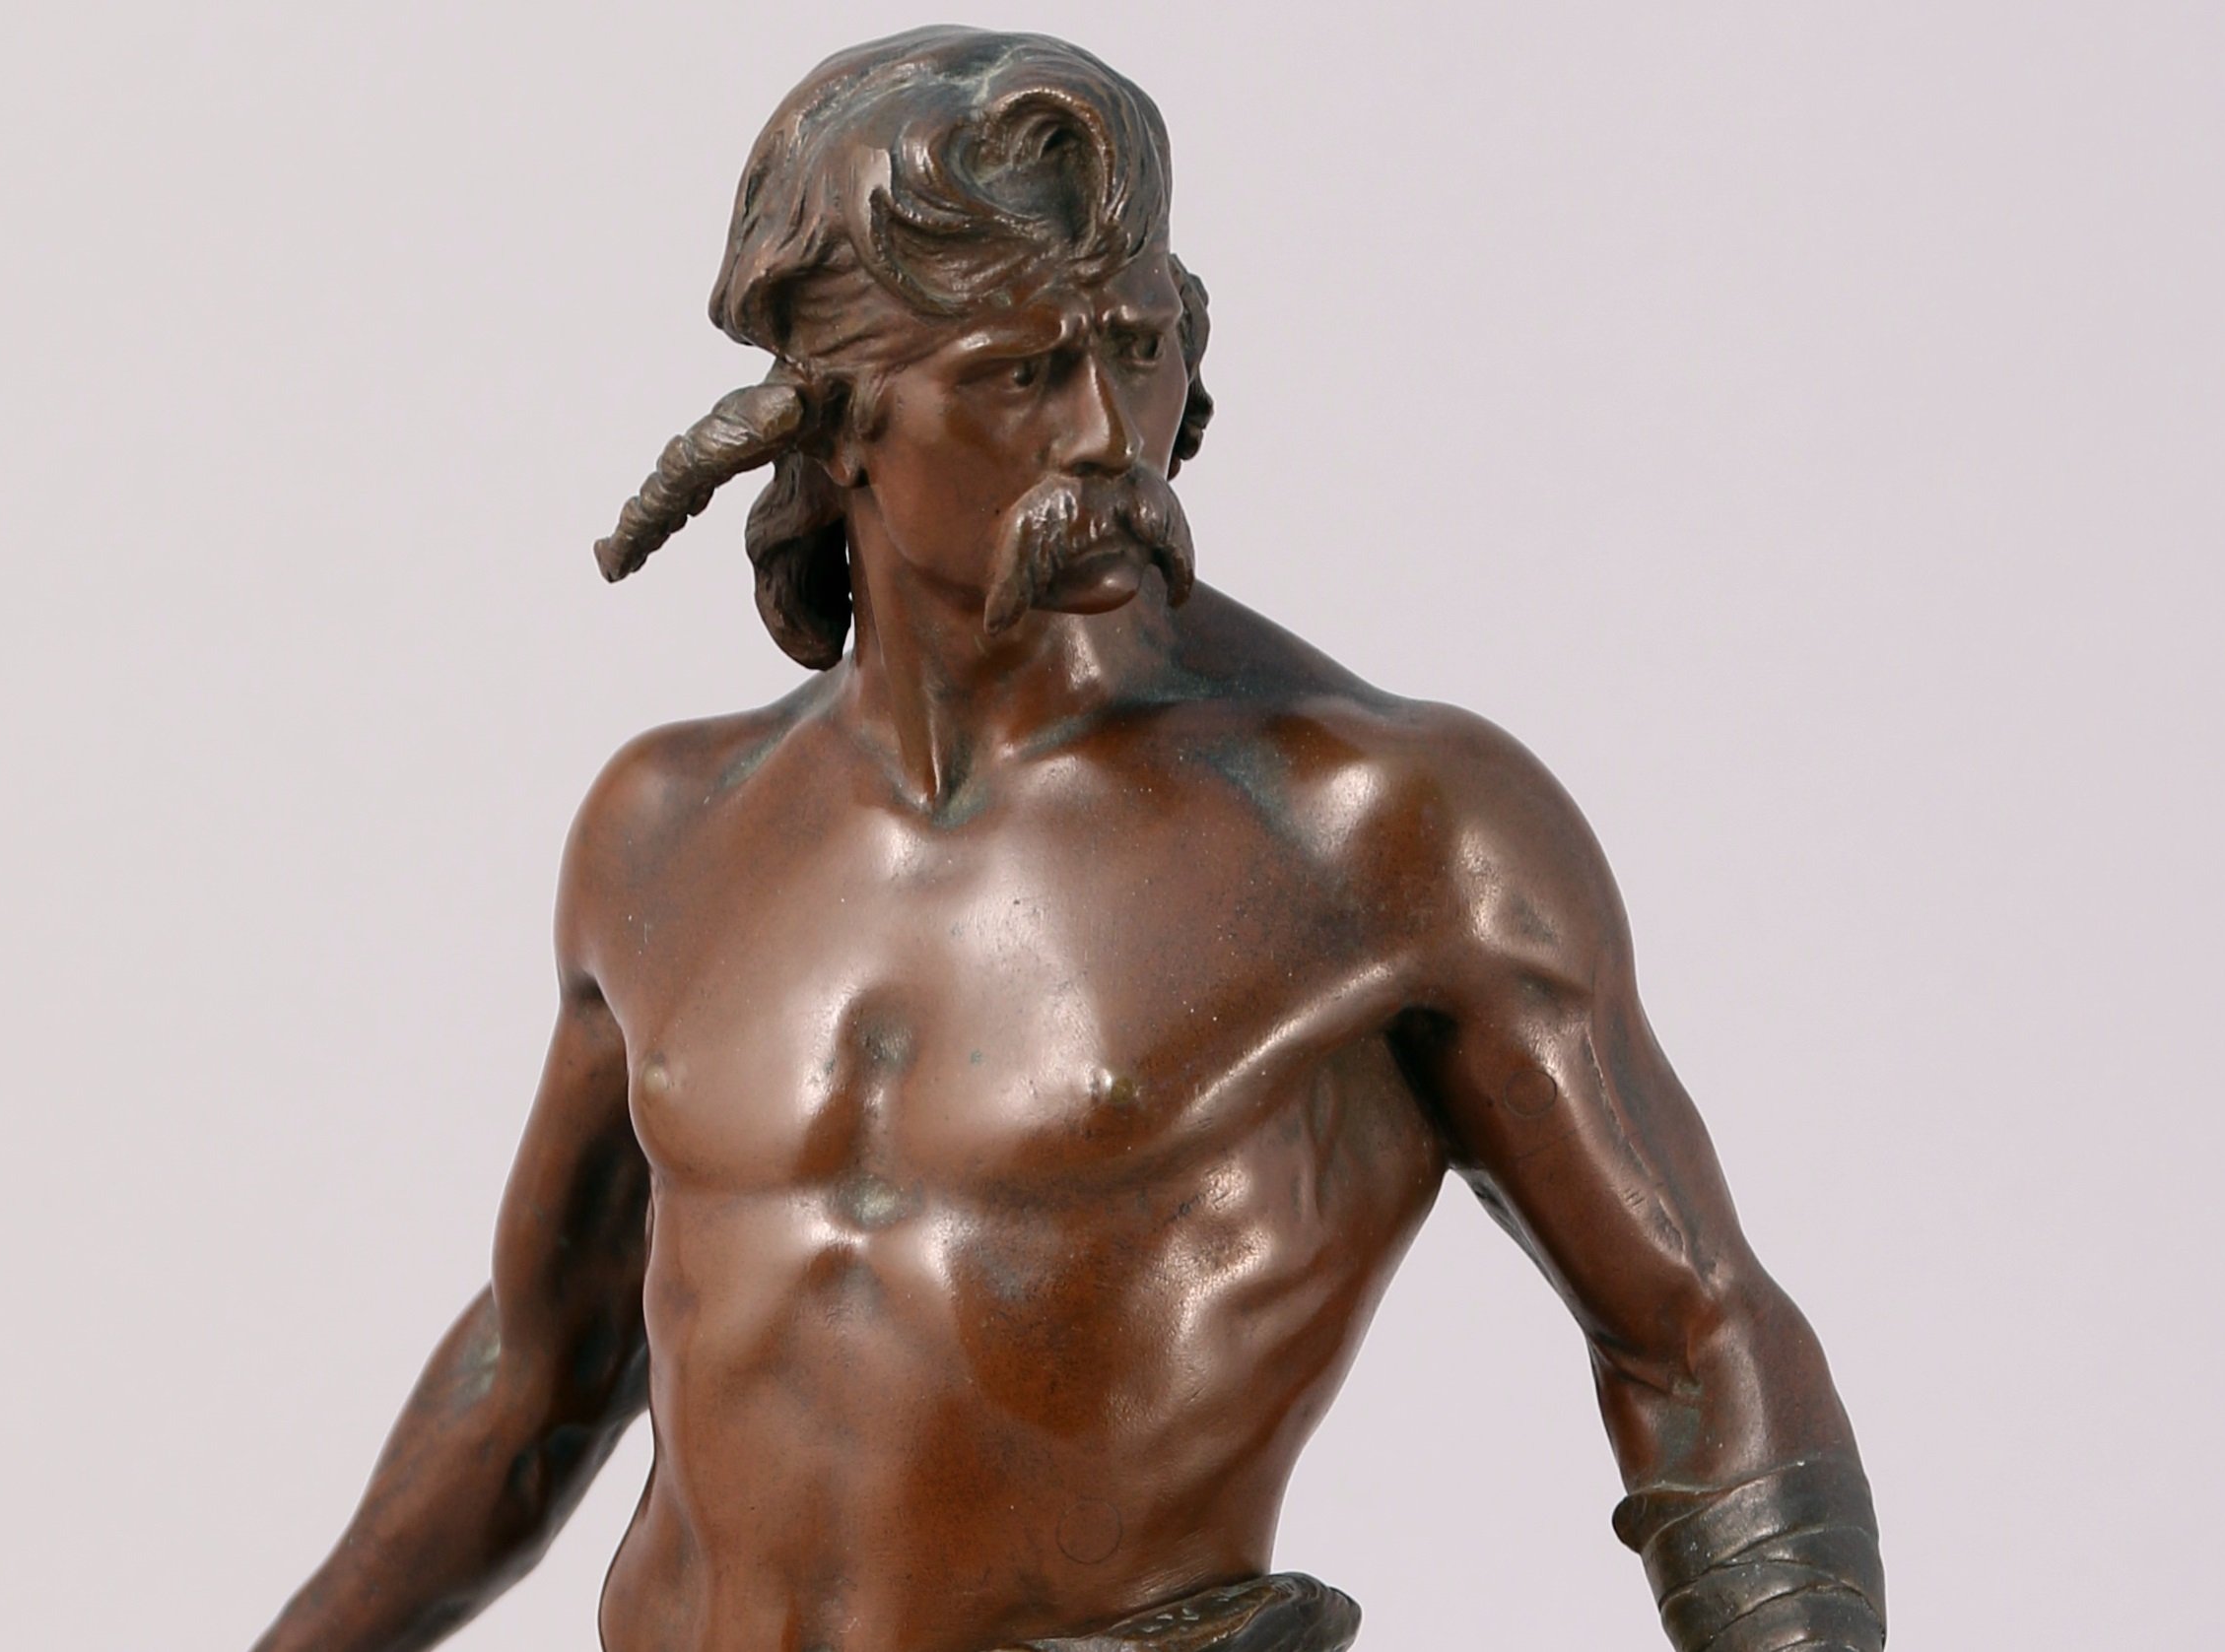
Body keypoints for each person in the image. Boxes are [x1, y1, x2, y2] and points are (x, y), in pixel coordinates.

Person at [252, 28, 1884, 1652]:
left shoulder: (1387, 833)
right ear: (831, 425)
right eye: (1019, 374)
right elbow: (533, 1369)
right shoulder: (663, 833)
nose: (1108, 432)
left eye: (1139, 344)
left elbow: (1695, 1333)